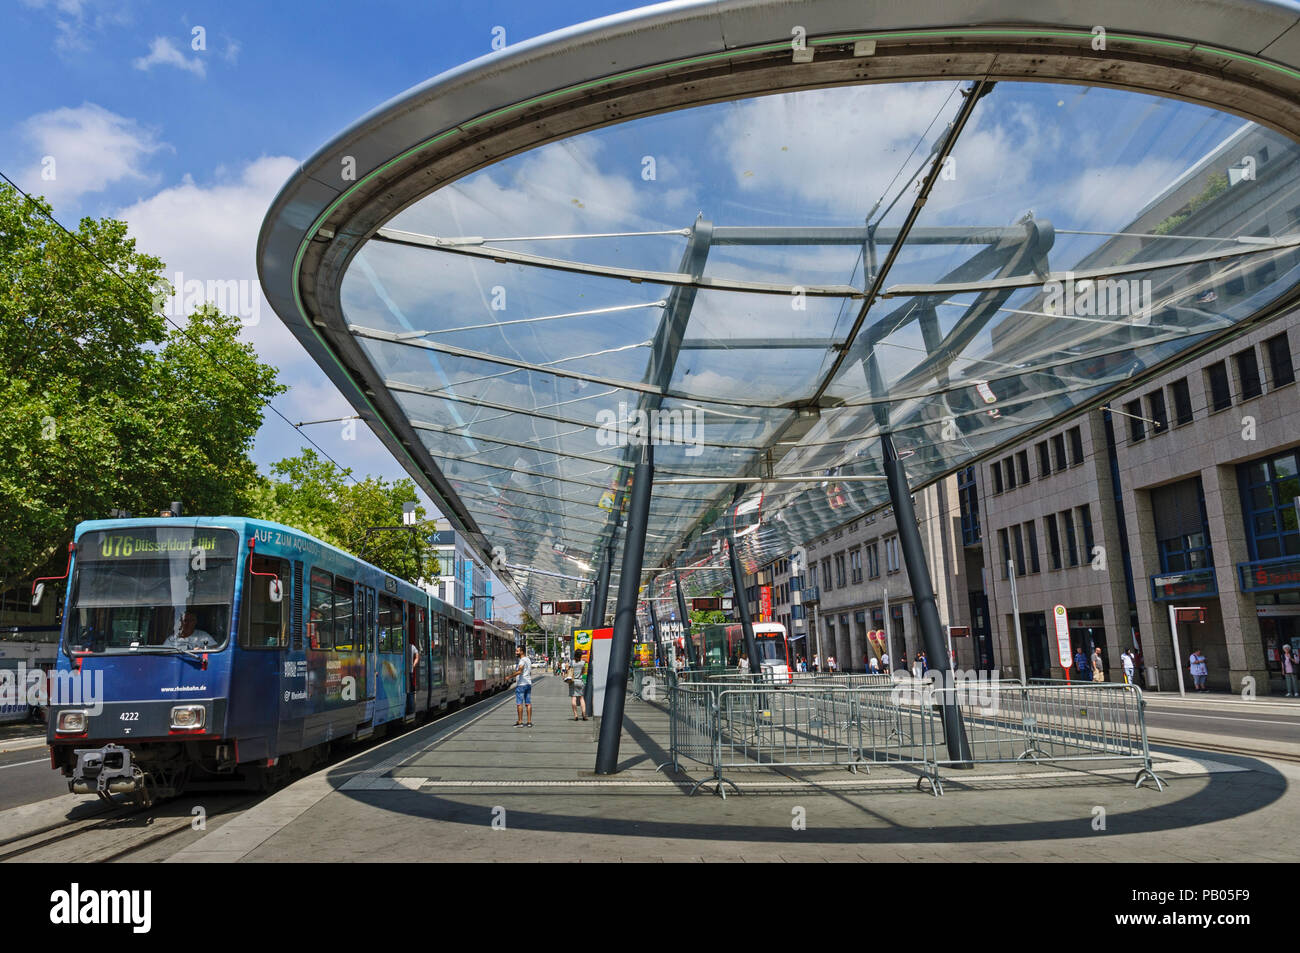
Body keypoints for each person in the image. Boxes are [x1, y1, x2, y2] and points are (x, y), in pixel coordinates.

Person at [512, 646, 533, 727]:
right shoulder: (528, 659)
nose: (516, 652)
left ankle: (520, 722)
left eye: (517, 651)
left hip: (521, 684)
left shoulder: (522, 661)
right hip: (528, 683)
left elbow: (520, 671)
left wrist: (509, 677)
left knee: (519, 703)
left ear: (522, 652)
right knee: (528, 703)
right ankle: (529, 722)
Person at [569, 650, 588, 720]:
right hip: (580, 681)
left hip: (573, 681)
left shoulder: (572, 662)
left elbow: (569, 670)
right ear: (580, 655)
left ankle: (576, 715)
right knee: (581, 698)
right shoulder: (583, 663)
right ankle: (584, 715)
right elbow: (583, 672)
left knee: (573, 698)